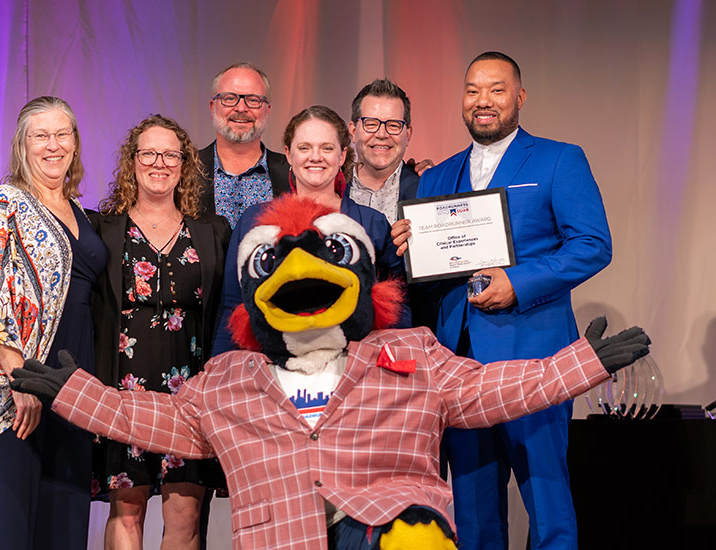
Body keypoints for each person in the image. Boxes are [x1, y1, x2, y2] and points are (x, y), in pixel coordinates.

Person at [8, 192, 648, 550]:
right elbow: (147, 415)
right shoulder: (230, 380)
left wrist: (581, 363)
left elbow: (490, 390)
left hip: (389, 522)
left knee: (415, 542)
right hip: (285, 532)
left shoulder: (410, 353)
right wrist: (72, 392)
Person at [392, 52, 612, 549]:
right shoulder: (436, 176)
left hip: (535, 359)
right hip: (460, 367)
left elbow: (593, 245)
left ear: (520, 97)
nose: (483, 101)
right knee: (472, 513)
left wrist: (519, 282)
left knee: (549, 506)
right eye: (472, 90)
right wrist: (409, 250)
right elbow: (431, 277)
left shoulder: (559, 159)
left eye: (496, 89)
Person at [0, 96, 106, 549]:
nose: (53, 145)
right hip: (14, 396)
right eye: (41, 135)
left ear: (75, 143)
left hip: (72, 389)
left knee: (61, 528)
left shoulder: (81, 212)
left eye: (63, 134)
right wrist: (21, 381)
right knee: (8, 529)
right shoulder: (4, 202)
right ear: (23, 144)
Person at [89, 114, 231, 550]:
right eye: (149, 153)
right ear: (132, 161)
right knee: (126, 511)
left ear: (185, 164)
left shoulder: (213, 232)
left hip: (189, 395)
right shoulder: (102, 230)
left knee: (186, 516)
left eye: (171, 154)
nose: (159, 163)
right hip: (122, 391)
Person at [211, 105, 410, 356]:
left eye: (327, 148)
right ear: (288, 154)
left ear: (342, 156)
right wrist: (221, 374)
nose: (315, 157)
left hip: (355, 372)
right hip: (275, 369)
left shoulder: (372, 223)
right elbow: (232, 306)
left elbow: (398, 308)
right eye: (304, 148)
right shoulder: (256, 221)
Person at [199, 62, 291, 226]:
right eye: (229, 98)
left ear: (267, 110)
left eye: (253, 100)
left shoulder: (292, 173)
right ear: (213, 107)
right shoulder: (186, 170)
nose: (241, 108)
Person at [348, 78, 432, 225]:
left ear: (407, 134)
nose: (382, 134)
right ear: (353, 131)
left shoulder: (428, 189)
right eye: (371, 124)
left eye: (393, 125)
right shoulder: (331, 187)